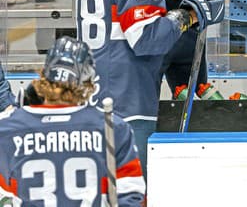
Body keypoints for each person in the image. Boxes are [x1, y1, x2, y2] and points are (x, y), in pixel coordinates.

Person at [76, 0, 225, 177]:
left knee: (104, 189)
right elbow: (147, 39)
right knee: (133, 191)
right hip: (129, 100)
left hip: (94, 96)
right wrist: (190, 14)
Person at [0, 36, 146, 206]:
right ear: (88, 83)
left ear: (44, 76)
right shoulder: (113, 127)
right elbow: (131, 194)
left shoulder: (7, 128)